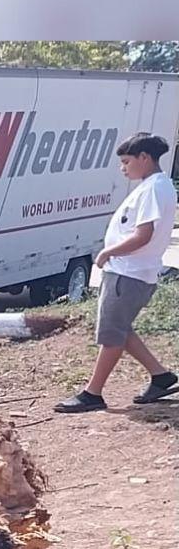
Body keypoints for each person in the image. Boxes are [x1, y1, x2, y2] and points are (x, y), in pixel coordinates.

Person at [55, 133, 177, 413]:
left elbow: (143, 235)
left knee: (111, 335)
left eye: (126, 161)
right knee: (120, 329)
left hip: (128, 273)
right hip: (131, 272)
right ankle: (161, 377)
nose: (123, 168)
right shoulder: (157, 185)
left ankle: (92, 393)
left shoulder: (153, 189)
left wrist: (109, 252)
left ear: (144, 158)